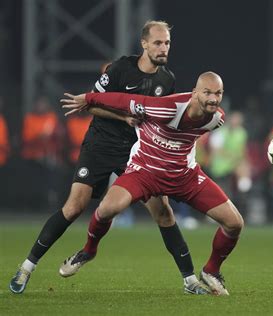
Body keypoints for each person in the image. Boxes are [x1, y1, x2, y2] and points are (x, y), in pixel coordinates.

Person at [10, 20, 207, 295]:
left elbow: (163, 116)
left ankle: (189, 281)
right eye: (158, 43)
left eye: (167, 43)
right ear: (144, 44)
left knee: (163, 212)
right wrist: (123, 116)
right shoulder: (120, 69)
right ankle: (27, 267)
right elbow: (91, 105)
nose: (164, 48)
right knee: (74, 206)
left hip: (137, 151)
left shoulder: (167, 79)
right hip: (100, 145)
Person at [60, 71, 244, 296]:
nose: (213, 99)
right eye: (207, 93)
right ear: (195, 93)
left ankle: (211, 271)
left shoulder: (217, 118)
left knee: (235, 223)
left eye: (218, 93)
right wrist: (89, 98)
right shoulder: (166, 108)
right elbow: (124, 101)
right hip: (145, 172)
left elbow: (188, 138)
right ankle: (89, 250)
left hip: (184, 176)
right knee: (107, 209)